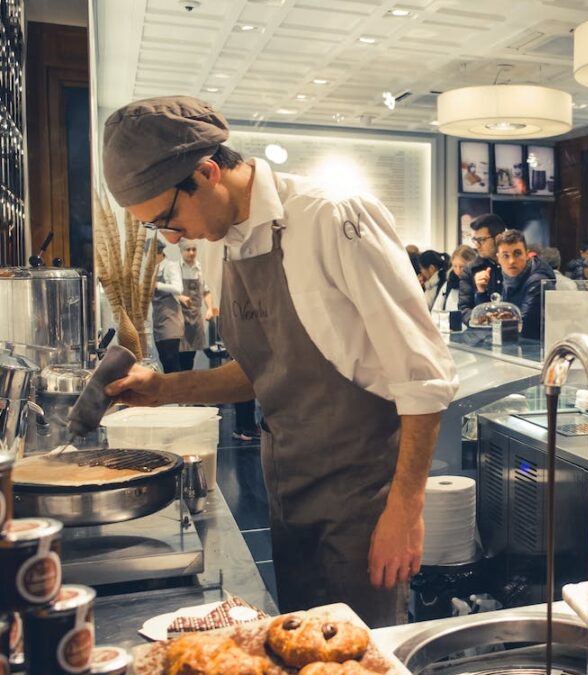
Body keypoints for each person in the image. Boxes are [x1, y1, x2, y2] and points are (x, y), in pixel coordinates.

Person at [99, 96, 457, 627]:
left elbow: (424, 376)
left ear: (207, 172)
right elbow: (265, 370)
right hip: (288, 487)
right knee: (300, 644)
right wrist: (163, 387)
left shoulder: (332, 216)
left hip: (361, 495)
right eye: (156, 229)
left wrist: (405, 509)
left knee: (362, 652)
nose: (172, 238)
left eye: (168, 219)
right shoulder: (227, 236)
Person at [475, 230, 554, 339]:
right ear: (498, 258)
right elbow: (488, 319)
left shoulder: (538, 282)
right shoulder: (508, 277)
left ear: (527, 255)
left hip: (534, 349)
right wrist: (481, 292)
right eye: (505, 255)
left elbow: (522, 327)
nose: (511, 261)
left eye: (517, 254)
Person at [178, 239, 217, 371]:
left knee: (190, 358)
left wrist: (210, 308)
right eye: (188, 250)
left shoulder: (201, 269)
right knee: (178, 360)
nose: (191, 253)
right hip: (178, 320)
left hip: (195, 319)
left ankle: (189, 388)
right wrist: (179, 296)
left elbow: (206, 292)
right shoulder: (175, 269)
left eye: (194, 249)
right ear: (181, 251)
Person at [458, 213, 506, 317]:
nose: (477, 246)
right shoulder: (470, 269)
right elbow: (463, 309)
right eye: (475, 240)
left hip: (512, 329)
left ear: (498, 238)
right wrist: (482, 321)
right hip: (480, 331)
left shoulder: (512, 266)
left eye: (482, 240)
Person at [151, 238, 185, 373]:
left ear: (158, 252)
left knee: (171, 362)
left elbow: (178, 288)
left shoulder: (170, 266)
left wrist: (157, 285)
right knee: (165, 360)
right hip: (159, 321)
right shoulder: (155, 269)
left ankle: (177, 393)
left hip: (170, 322)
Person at [432, 245, 475, 313]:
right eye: (455, 266)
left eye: (462, 267)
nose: (458, 271)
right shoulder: (449, 283)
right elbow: (436, 309)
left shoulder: (478, 283)